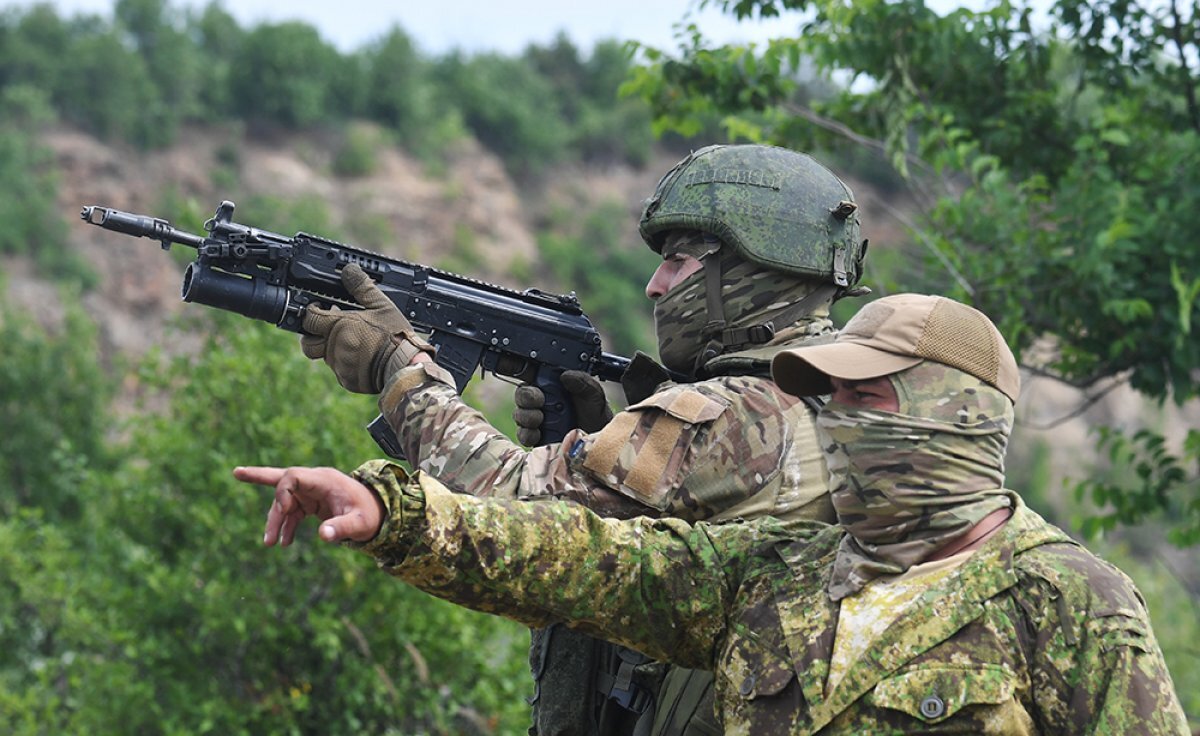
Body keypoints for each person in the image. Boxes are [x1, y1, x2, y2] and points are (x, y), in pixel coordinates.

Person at [237, 293, 1190, 734]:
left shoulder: (1068, 603)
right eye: (827, 396)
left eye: (864, 398)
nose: (833, 420)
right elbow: (576, 556)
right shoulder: (777, 568)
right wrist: (396, 511)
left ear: (957, 414)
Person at [292, 144, 868, 735]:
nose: (654, 285)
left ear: (751, 269)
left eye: (679, 261)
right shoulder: (846, 392)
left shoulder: (734, 411)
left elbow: (512, 513)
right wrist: (597, 444)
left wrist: (403, 370)